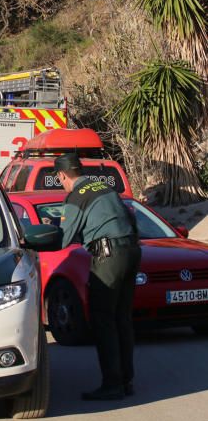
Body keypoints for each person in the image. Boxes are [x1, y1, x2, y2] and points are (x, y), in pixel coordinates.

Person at [55, 152, 141, 401]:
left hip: (109, 256)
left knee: (103, 319)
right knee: (122, 318)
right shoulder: (104, 187)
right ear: (79, 170)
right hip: (132, 250)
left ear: (62, 175)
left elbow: (63, 238)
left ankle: (112, 384)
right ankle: (126, 380)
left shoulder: (76, 196)